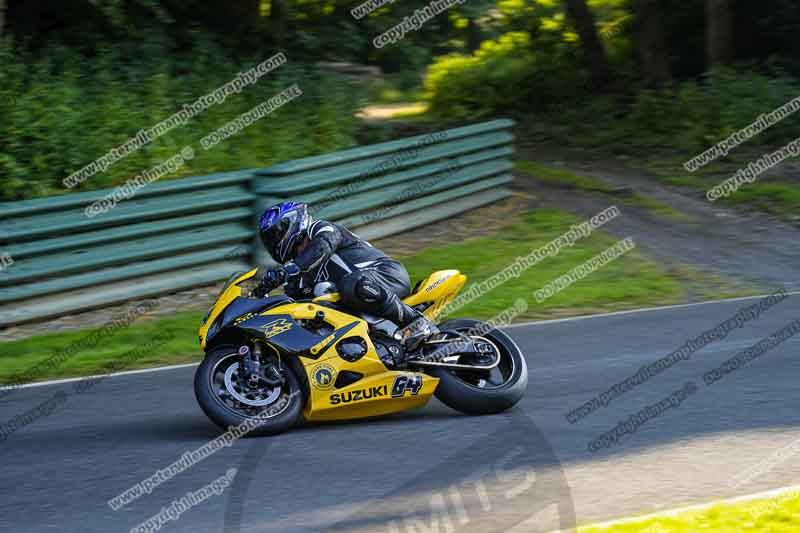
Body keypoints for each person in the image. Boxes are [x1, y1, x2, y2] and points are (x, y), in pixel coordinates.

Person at [256, 201, 438, 351]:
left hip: (386, 275)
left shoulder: (320, 229)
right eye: (269, 238)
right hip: (358, 305)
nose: (274, 241)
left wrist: (289, 270)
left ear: (292, 222)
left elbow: (324, 245)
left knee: (351, 283)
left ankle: (415, 322)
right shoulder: (298, 279)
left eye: (276, 234)